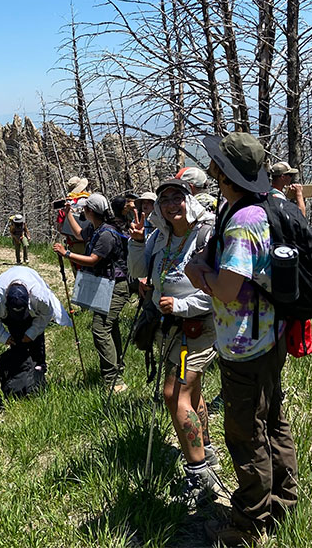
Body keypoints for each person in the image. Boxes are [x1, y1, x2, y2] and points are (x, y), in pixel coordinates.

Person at [186, 132, 298, 546]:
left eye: (217, 163)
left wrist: (200, 274)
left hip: (244, 345)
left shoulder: (242, 222)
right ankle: (284, 503)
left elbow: (230, 288)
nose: (211, 167)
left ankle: (250, 523)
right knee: (272, 420)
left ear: (225, 172)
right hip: (270, 336)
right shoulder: (260, 208)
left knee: (244, 432)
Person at [127, 178, 221, 506]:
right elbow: (138, 272)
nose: (170, 204)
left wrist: (180, 306)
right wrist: (138, 243)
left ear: (188, 199)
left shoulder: (206, 234)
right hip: (172, 328)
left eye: (176, 198)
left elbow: (220, 288)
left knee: (174, 393)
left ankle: (199, 475)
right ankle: (207, 453)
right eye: (163, 199)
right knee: (191, 393)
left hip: (199, 327)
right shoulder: (158, 237)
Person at [52, 193, 130, 393]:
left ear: (90, 211)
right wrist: (68, 214)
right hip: (107, 284)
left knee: (100, 328)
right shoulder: (97, 228)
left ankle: (113, 380)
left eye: (84, 209)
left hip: (116, 286)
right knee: (109, 326)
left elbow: (94, 259)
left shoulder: (106, 234)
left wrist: (67, 254)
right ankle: (117, 367)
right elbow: (79, 234)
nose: (82, 211)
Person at [0, 266, 72, 376]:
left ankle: (39, 368)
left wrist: (32, 333)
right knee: (16, 337)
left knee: (36, 337)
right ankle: (20, 367)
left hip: (32, 310)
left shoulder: (39, 297)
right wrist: (4, 336)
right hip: (8, 313)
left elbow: (45, 316)